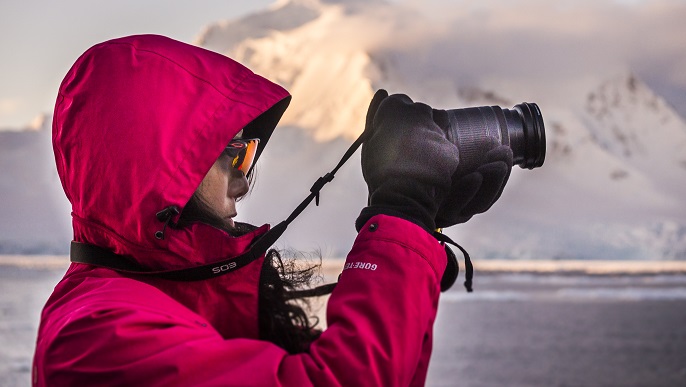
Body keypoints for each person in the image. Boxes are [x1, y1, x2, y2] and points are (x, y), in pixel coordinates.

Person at [33, 34, 512, 386]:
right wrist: (401, 215)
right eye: (233, 153)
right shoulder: (99, 339)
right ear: (156, 171)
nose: (244, 179)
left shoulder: (155, 297)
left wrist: (414, 237)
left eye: (249, 155)